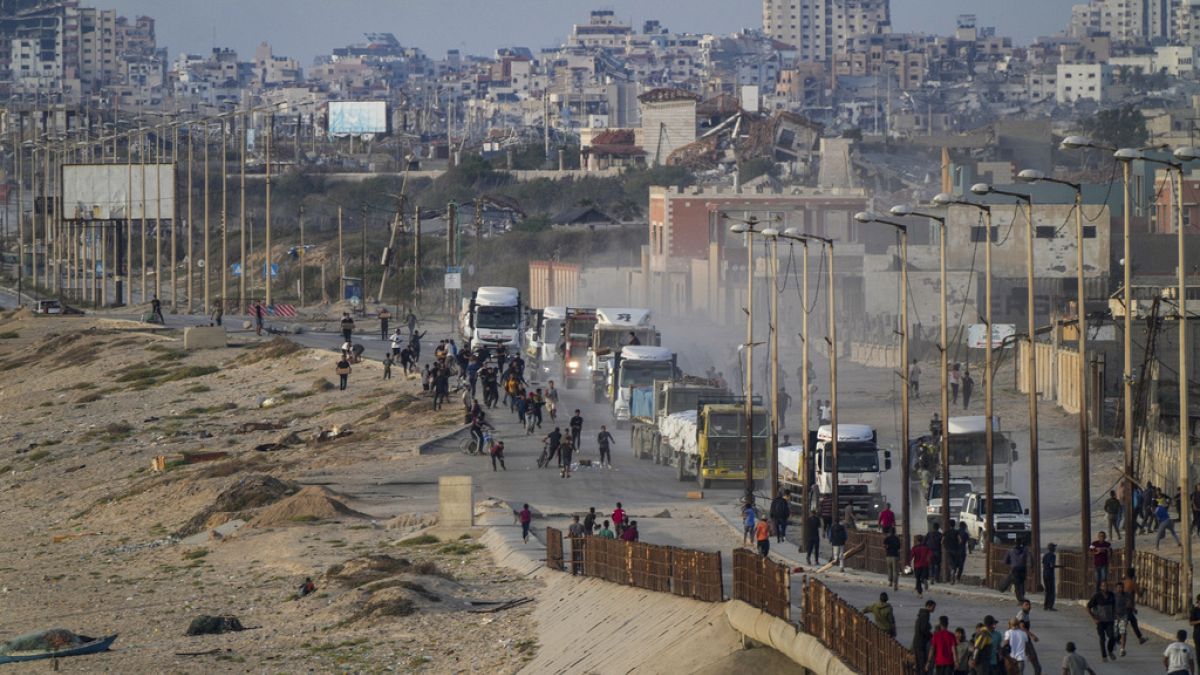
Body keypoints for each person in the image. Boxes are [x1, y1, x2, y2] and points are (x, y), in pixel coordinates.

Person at [1087, 580, 1118, 662]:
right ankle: (1104, 656)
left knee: (1112, 637)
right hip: (1100, 621)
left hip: (1109, 620)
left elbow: (1114, 606)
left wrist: (1115, 615)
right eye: (1104, 586)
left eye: (1107, 585)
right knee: (1102, 638)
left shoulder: (1111, 595)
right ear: (1101, 587)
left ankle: (1110, 651)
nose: (1106, 587)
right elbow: (1088, 607)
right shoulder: (1097, 596)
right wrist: (1094, 618)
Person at [1123, 568, 1149, 648]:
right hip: (1128, 606)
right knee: (1127, 624)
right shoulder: (1133, 583)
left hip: (1123, 605)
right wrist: (1144, 590)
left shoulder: (1124, 582)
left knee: (1133, 622)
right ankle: (1117, 638)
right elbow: (1139, 594)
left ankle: (1140, 638)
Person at [912, 600, 935, 673]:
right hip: (920, 642)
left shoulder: (922, 614)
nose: (934, 609)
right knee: (921, 663)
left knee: (919, 663)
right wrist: (930, 636)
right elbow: (923, 629)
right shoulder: (925, 615)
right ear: (928, 606)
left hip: (917, 641)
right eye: (933, 607)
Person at [883, 526, 901, 591]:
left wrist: (887, 548)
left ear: (889, 532)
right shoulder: (897, 539)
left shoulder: (887, 538)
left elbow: (884, 546)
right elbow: (899, 548)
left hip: (888, 556)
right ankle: (895, 585)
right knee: (895, 571)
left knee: (889, 569)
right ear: (895, 531)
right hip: (895, 556)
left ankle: (890, 582)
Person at [1042, 542, 1060, 610]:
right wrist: (1060, 566)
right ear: (1052, 548)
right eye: (1054, 547)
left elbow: (1044, 563)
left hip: (1044, 574)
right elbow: (1051, 565)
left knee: (1047, 590)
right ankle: (1050, 606)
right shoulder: (1053, 555)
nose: (1055, 548)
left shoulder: (1045, 555)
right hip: (1050, 575)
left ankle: (1045, 605)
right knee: (1051, 591)